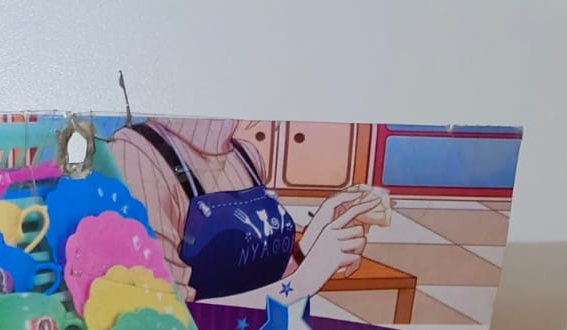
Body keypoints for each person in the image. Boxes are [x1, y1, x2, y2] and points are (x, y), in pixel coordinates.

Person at [111, 117, 384, 305]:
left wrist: (312, 242)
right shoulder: (135, 153)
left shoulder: (247, 156)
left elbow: (260, 277)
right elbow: (171, 314)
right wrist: (306, 279)